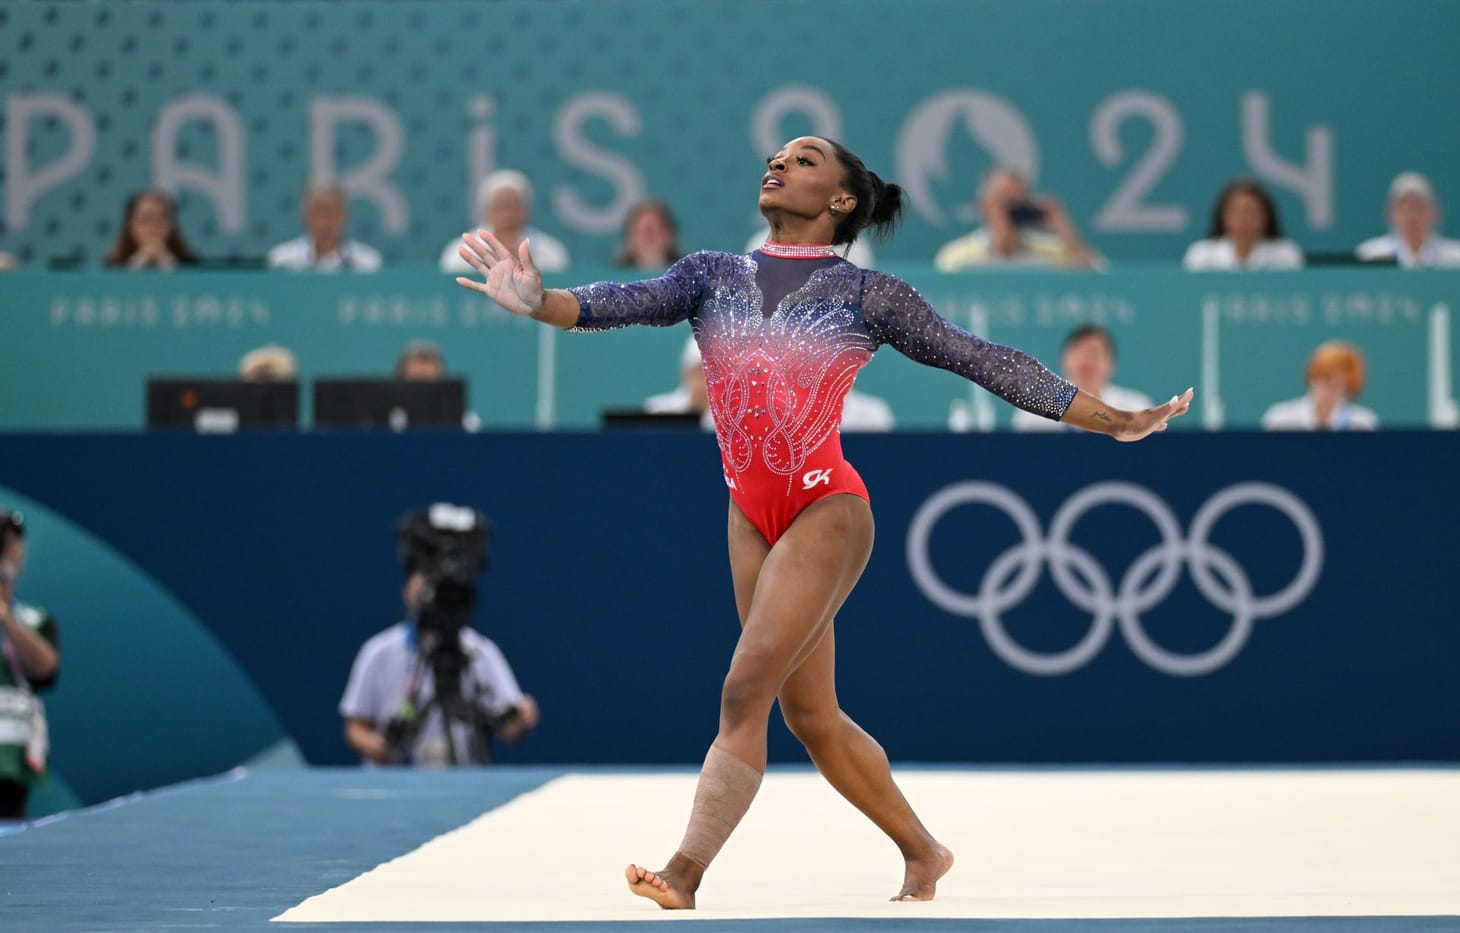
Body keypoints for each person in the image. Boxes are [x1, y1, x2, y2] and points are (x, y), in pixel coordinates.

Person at [454, 135, 1193, 909]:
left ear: (842, 200)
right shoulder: (711, 274)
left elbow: (982, 359)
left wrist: (1113, 421)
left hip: (824, 508)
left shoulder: (869, 295)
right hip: (750, 513)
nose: (778, 164)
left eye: (804, 160)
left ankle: (685, 871)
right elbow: (613, 305)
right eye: (776, 157)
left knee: (745, 689)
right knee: (812, 715)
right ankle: (924, 850)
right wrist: (539, 302)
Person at [340, 505, 538, 766]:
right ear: (407, 589)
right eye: (426, 581)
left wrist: (522, 718)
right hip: (395, 790)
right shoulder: (379, 652)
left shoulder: (479, 652)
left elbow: (509, 730)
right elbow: (355, 727)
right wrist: (381, 748)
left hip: (466, 790)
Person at [0, 509, 59, 822]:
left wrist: (5, 616)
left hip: (11, 776)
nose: (8, 553)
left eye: (12, 545)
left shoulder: (36, 620)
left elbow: (46, 669)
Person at [934, 167, 1102, 271]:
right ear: (983, 206)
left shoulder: (1051, 252)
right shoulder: (956, 256)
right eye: (1004, 201)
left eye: (1017, 201)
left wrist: (1063, 229)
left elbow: (1094, 280)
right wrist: (1000, 246)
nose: (1011, 209)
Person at [1011, 325, 1152, 432]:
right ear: (1063, 360)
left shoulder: (1134, 408)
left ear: (1111, 363)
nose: (1087, 360)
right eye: (1079, 352)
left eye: (1095, 353)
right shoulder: (1035, 410)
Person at [438, 171, 569, 275]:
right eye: (500, 205)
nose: (507, 213)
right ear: (486, 209)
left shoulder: (551, 251)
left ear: (526, 209)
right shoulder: (460, 252)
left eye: (513, 205)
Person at [1182, 179, 1303, 271]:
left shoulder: (1286, 254)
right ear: (1223, 217)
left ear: (1266, 217)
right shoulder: (1201, 255)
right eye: (1237, 212)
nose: (1244, 220)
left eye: (1251, 212)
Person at [268, 181, 383, 272]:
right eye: (319, 213)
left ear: (345, 216)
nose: (325, 222)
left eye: (332, 213)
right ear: (305, 216)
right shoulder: (281, 261)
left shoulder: (368, 263)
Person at [1261, 341, 1378, 431]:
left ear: (1348, 389)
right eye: (1326, 380)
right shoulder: (1281, 419)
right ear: (1312, 378)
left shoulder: (1362, 423)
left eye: (1338, 385)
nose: (1329, 391)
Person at [1355, 172, 1460, 268]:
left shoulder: (1456, 258)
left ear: (1435, 212)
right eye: (1405, 208)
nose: (1413, 216)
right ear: (1391, 213)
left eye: (1419, 207)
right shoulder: (1370, 256)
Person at [103, 189, 200, 270]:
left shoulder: (192, 265)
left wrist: (168, 263)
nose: (153, 226)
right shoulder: (111, 266)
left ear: (171, 224)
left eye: (161, 219)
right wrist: (137, 263)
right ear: (130, 224)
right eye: (145, 219)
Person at [617, 200, 685, 269]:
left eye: (656, 229)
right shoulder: (614, 275)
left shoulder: (689, 273)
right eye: (641, 230)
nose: (648, 236)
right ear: (629, 236)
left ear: (669, 233)